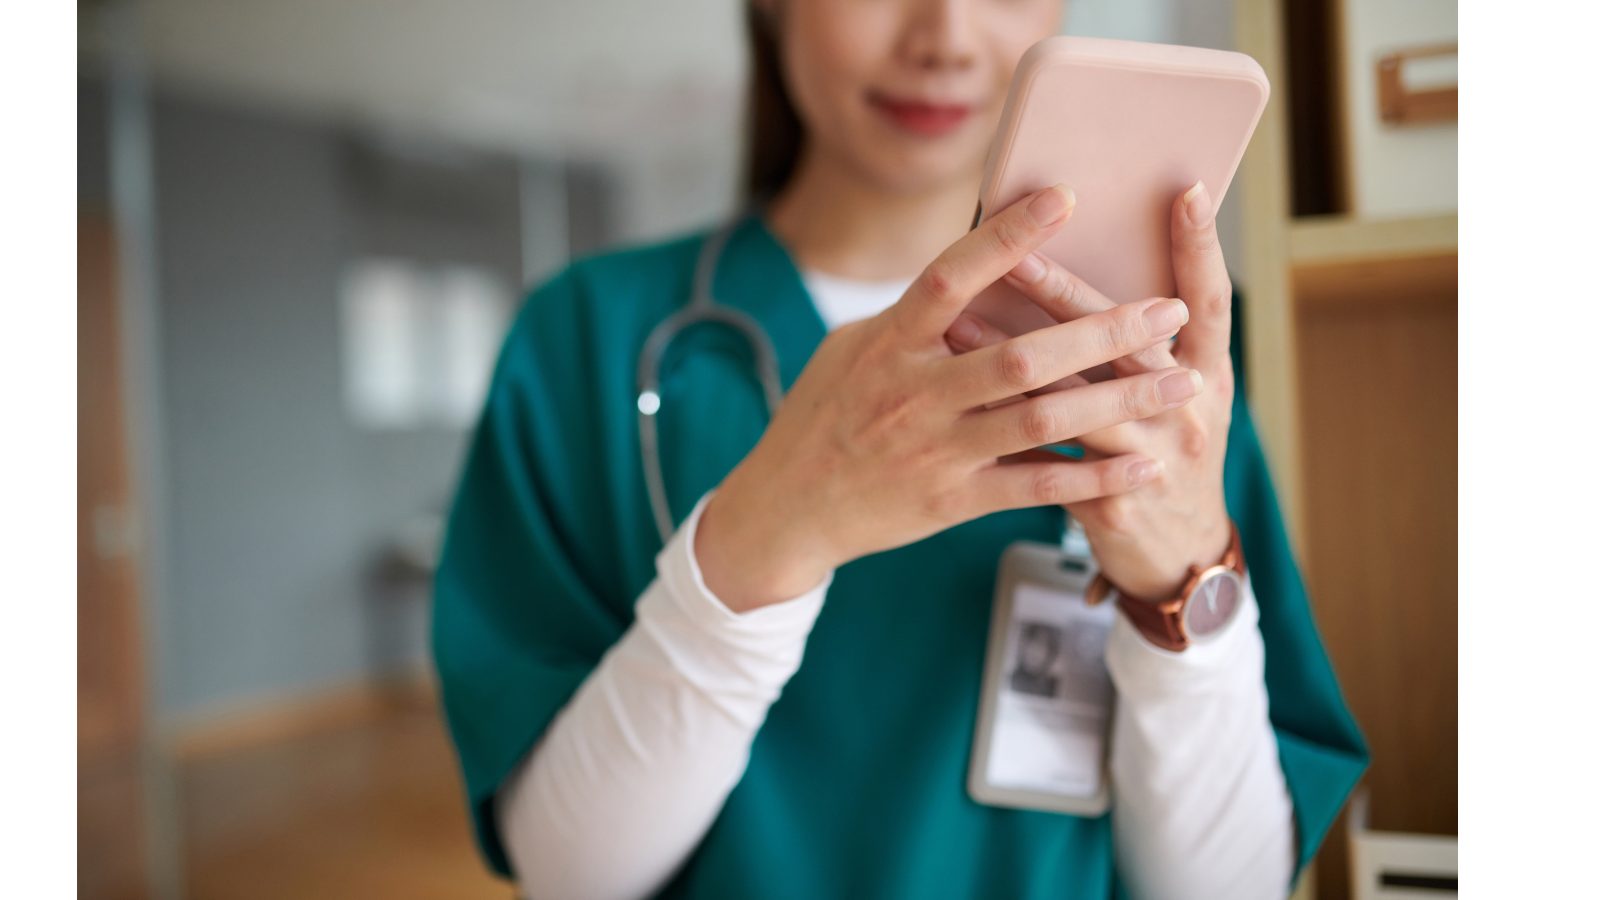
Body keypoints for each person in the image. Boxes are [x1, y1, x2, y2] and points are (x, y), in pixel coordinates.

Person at [433, 1, 1367, 898]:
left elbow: (1231, 887)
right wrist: (760, 544)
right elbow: (565, 877)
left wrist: (1180, 588)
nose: (946, 37)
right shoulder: (587, 336)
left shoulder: (1167, 355)